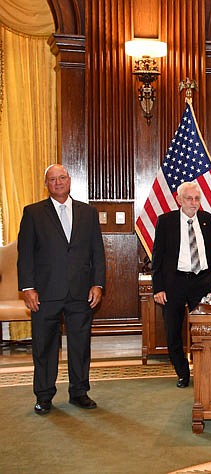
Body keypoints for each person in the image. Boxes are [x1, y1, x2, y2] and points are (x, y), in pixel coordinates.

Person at [17, 164, 106, 415]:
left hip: (81, 292)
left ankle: (79, 392)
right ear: (46, 184)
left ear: (70, 181)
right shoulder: (33, 213)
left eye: (62, 178)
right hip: (45, 293)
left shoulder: (88, 212)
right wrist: (28, 288)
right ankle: (44, 395)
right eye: (52, 179)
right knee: (44, 346)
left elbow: (97, 252)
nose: (58, 182)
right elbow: (25, 255)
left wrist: (98, 284)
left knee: (80, 345)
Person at [151, 181, 211, 388]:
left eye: (197, 198)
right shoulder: (166, 221)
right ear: (179, 200)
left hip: (202, 283)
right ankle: (182, 373)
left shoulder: (209, 220)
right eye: (189, 198)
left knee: (204, 332)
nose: (193, 203)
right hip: (174, 284)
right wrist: (158, 287)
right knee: (173, 332)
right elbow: (158, 256)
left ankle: (204, 371)